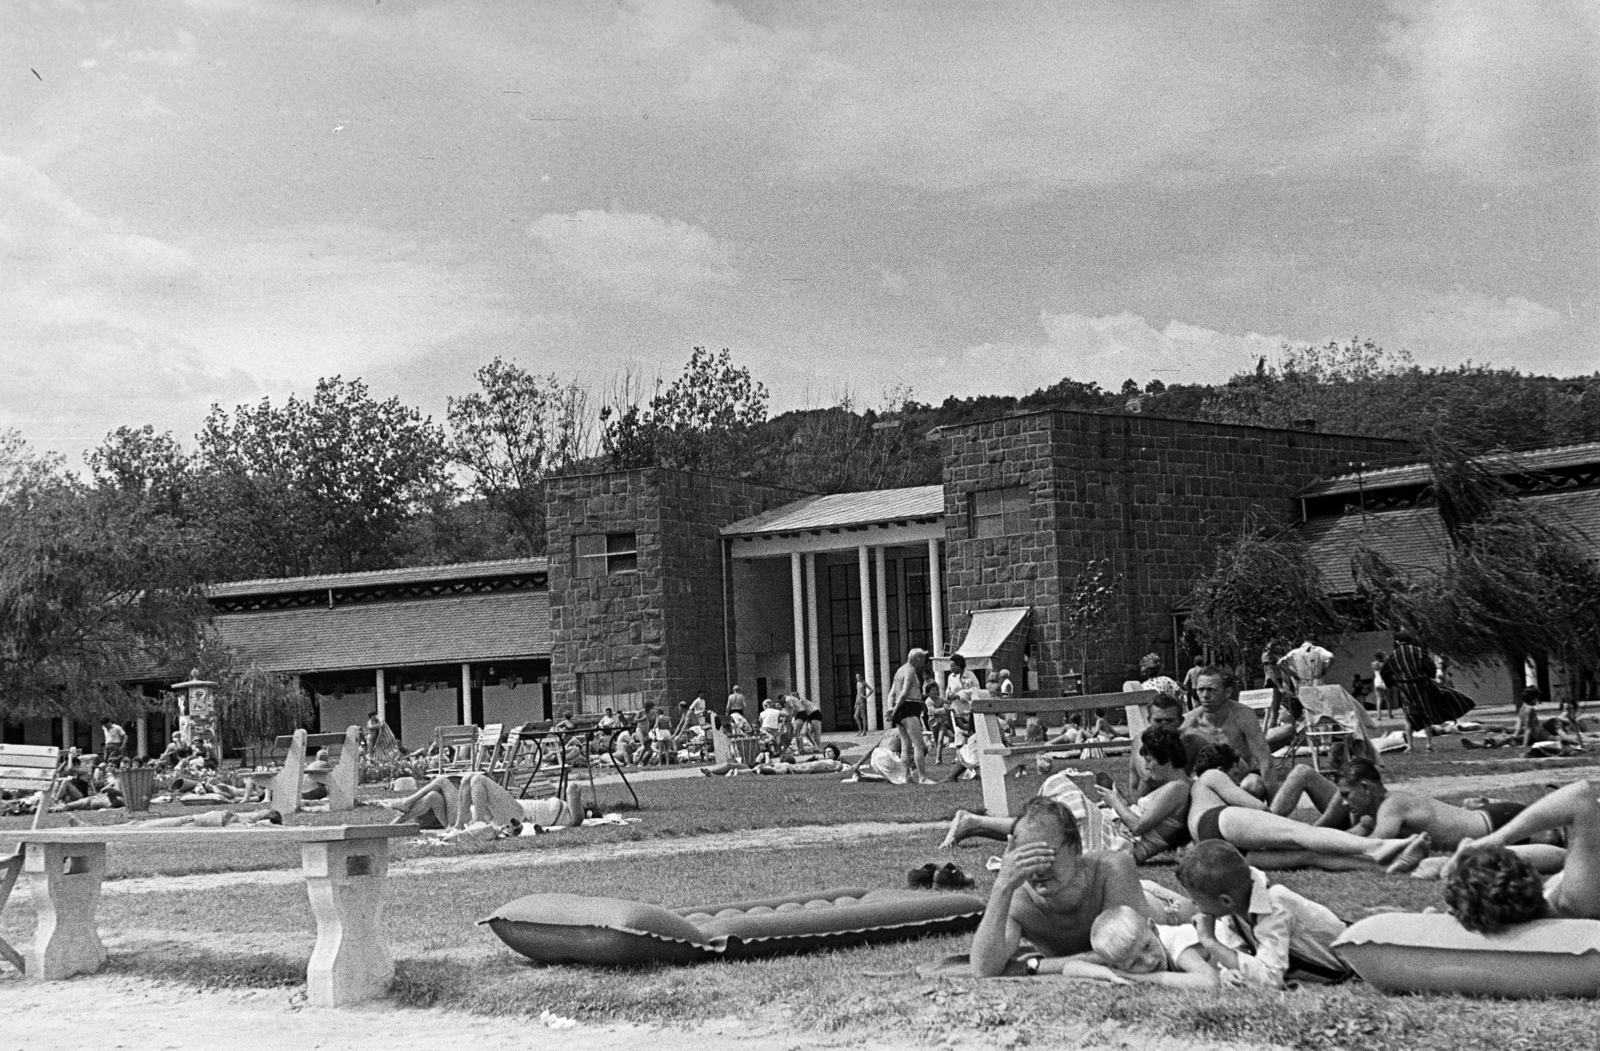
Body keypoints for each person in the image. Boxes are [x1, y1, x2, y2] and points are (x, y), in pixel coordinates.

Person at [968, 795, 1190, 977]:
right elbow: (984, 969)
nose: (1037, 870)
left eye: (1047, 855)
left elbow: (1125, 953)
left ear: (1076, 849)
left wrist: (1033, 966)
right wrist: (1001, 887)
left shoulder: (1112, 869)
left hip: (1165, 910)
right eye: (1027, 859)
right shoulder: (1019, 900)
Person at [1186, 744, 1429, 874]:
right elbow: (1257, 807)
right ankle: (1378, 847)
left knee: (1311, 856)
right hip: (1219, 822)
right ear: (1221, 769)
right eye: (1234, 776)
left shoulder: (1194, 799)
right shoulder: (1210, 776)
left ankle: (1383, 867)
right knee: (1299, 834)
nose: (1236, 781)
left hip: (1219, 849)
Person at [1177, 841, 1352, 988]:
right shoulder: (1238, 901)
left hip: (1356, 963)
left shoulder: (1274, 906)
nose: (1194, 904)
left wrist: (1209, 941)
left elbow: (1270, 978)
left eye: (1196, 900)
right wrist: (1229, 973)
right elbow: (1238, 955)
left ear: (1226, 901)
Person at [1442, 778, 1600, 931]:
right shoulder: (1574, 902)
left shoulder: (1546, 908)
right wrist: (1497, 838)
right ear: (1527, 871)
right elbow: (1581, 796)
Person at [383, 771, 580, 832]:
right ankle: (403, 811)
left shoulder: (569, 817)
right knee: (452, 785)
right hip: (491, 810)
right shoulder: (562, 809)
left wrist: (573, 792)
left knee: (476, 779)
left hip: (520, 816)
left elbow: (577, 816)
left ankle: (479, 825)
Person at [1180, 667, 1274, 793]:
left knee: (1253, 784)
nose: (1205, 695)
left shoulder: (1243, 715)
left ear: (1228, 692)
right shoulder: (1188, 722)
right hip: (1207, 782)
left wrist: (1273, 809)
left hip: (1242, 777)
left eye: (1211, 689)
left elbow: (1264, 761)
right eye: (1201, 690)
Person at [1085, 905, 1218, 989]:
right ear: (1117, 966)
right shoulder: (1127, 950)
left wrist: (1143, 977)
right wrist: (1110, 975)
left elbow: (1210, 981)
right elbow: (1071, 966)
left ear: (1154, 928)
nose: (1149, 960)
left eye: (1147, 947)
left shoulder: (1176, 944)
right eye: (1135, 963)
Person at [1381, 633, 1474, 752]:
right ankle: (1429, 744)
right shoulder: (1418, 651)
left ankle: (1410, 746)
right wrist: (1429, 676)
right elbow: (1430, 666)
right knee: (1426, 713)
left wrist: (1394, 683)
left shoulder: (1393, 655)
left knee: (1409, 716)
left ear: (1398, 642)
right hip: (1421, 685)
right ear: (1411, 641)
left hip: (1405, 688)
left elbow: (1385, 671)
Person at [886, 648, 931, 784]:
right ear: (917, 659)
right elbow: (904, 693)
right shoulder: (910, 670)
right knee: (919, 745)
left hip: (901, 711)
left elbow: (891, 695)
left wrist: (891, 709)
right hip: (909, 709)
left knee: (906, 744)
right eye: (923, 660)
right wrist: (894, 711)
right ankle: (922, 777)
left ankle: (906, 776)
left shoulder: (899, 671)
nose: (924, 664)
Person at [1129, 693, 1185, 794]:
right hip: (1143, 800)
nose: (1163, 725)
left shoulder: (1188, 740)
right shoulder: (1142, 740)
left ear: (1180, 721)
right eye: (1158, 721)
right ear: (1148, 720)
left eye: (1169, 721)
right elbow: (1149, 776)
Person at [1371, 652, 1391, 718]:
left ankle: (1379, 715)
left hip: (1377, 682)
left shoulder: (1373, 664)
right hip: (1385, 681)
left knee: (1379, 699)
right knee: (1387, 699)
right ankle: (1389, 714)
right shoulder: (1385, 664)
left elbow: (1374, 674)